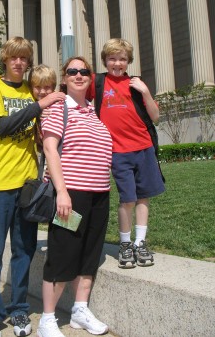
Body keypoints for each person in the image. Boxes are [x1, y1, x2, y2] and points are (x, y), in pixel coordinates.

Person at [0, 37, 65, 337]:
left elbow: (42, 132)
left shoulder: (32, 90)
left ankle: (18, 310)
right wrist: (40, 104)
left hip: (28, 184)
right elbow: (1, 127)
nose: (19, 63)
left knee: (24, 251)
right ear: (5, 58)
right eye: (14, 57)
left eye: (24, 58)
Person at [37, 57, 113, 337]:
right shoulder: (59, 109)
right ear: (65, 78)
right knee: (63, 254)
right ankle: (47, 319)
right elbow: (50, 151)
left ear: (90, 77)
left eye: (84, 71)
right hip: (71, 196)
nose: (79, 75)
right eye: (73, 71)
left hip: (99, 195)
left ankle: (80, 310)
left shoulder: (93, 111)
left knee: (89, 255)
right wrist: (61, 192)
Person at [87, 38, 165, 269]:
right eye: (112, 58)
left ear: (128, 61)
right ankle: (125, 243)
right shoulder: (97, 82)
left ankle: (140, 243)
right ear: (105, 60)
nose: (117, 63)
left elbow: (155, 117)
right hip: (117, 151)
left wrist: (146, 92)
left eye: (122, 59)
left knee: (143, 196)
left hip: (143, 147)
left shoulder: (136, 83)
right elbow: (76, 90)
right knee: (127, 199)